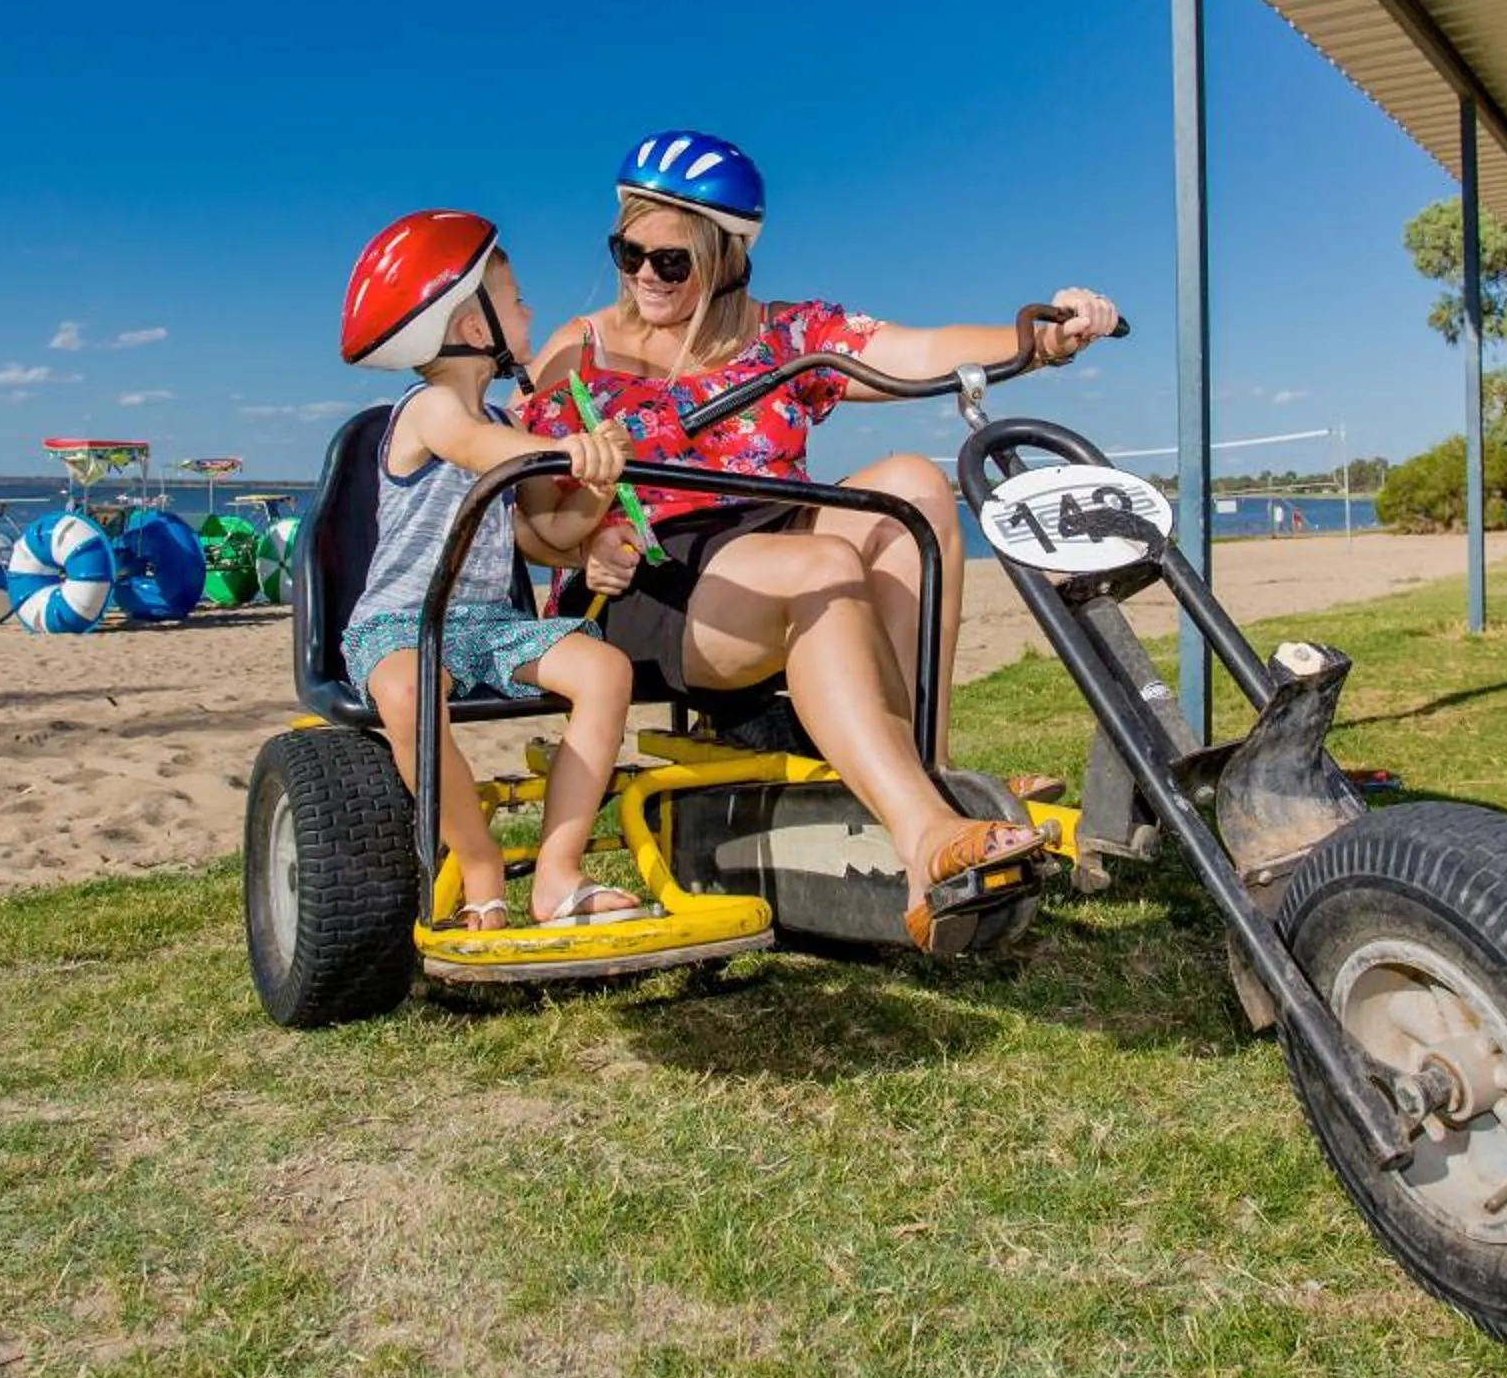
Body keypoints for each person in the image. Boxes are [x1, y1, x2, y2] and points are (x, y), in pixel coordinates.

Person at [517, 131, 1120, 950]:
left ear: (729, 257)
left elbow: (925, 350)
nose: (645, 279)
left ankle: (925, 774)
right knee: (821, 563)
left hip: (769, 537)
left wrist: (1042, 339)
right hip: (646, 581)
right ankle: (923, 836)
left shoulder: (789, 335)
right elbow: (531, 519)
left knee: (911, 483)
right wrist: (582, 546)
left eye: (672, 262)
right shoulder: (577, 352)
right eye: (630, 253)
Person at [336, 209, 651, 930]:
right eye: (514, 301)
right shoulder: (429, 410)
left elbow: (548, 530)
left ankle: (556, 875)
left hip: (489, 625)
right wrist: (567, 448)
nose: (529, 310)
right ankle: (478, 860)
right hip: (403, 625)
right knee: (410, 691)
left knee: (605, 672)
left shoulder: (514, 428)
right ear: (476, 327)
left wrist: (598, 484)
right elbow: (475, 450)